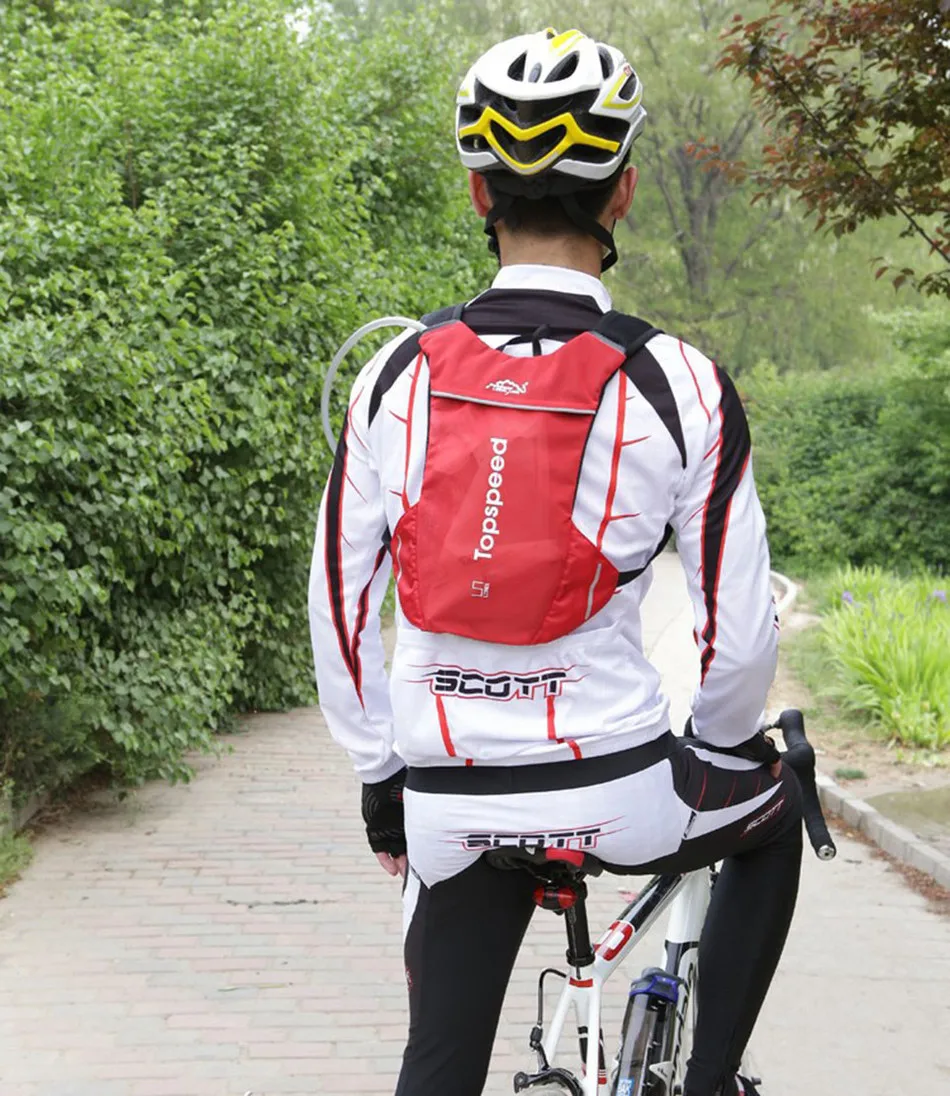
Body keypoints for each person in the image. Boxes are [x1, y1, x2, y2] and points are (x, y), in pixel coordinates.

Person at [309, 27, 802, 1096]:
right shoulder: (679, 382)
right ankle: (711, 1077)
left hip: (446, 792)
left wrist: (380, 778)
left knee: (437, 1055)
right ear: (623, 193)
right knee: (775, 799)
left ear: (477, 194)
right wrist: (720, 743)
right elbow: (739, 639)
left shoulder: (394, 374)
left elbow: (340, 612)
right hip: (620, 784)